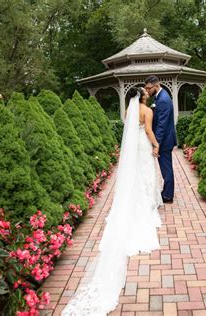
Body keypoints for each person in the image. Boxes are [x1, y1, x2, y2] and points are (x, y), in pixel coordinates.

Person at [61, 87, 163, 316]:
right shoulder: (147, 111)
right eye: (145, 92)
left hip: (131, 149)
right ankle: (145, 205)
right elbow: (147, 131)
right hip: (142, 146)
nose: (147, 93)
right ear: (143, 96)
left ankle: (136, 201)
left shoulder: (129, 110)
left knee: (134, 176)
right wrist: (156, 145)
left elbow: (130, 130)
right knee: (146, 175)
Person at [144, 75, 177, 203]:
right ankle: (167, 192)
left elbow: (161, 126)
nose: (147, 91)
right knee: (165, 168)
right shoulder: (159, 97)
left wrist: (156, 144)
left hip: (165, 141)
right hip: (165, 140)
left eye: (149, 88)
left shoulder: (163, 99)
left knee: (166, 169)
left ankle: (168, 196)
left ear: (156, 85)